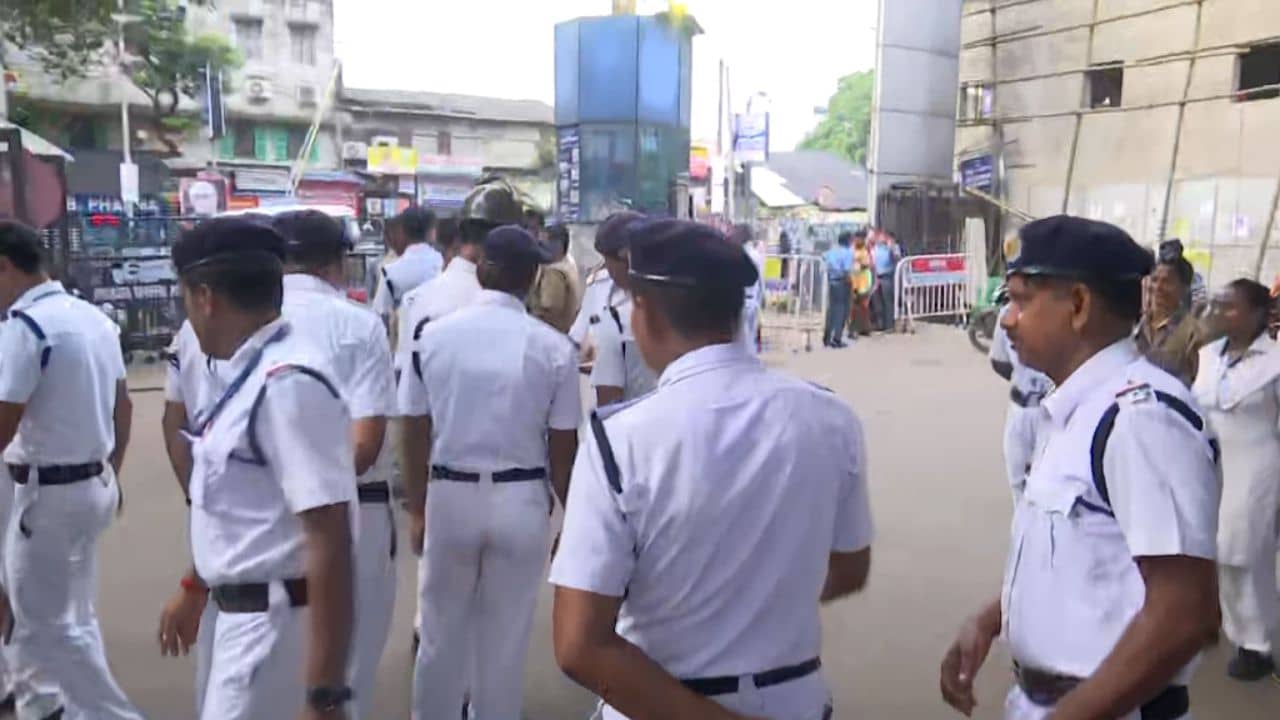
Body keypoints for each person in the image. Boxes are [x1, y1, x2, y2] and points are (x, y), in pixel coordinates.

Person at [550, 218, 872, 720]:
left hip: (657, 701)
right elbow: (850, 568)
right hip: (795, 701)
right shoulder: (831, 417)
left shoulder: (620, 440)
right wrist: (759, 602)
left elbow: (578, 645)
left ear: (645, 313)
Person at [940, 215, 1220, 720]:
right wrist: (989, 620)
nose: (1006, 320)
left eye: (1021, 300)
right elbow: (1082, 559)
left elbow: (1184, 614)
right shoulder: (1076, 408)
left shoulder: (1140, 418)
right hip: (1047, 700)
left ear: (1078, 305)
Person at [171, 217, 357, 720]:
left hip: (274, 627)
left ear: (206, 297)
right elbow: (248, 513)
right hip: (249, 617)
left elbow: (329, 534)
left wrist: (324, 693)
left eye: (185, 299)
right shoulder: (252, 371)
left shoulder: (287, 383)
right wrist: (196, 584)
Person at [399, 224, 580, 719]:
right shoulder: (554, 348)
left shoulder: (431, 338)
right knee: (503, 643)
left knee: (439, 634)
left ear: (481, 270)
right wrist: (573, 519)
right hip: (522, 499)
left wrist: (417, 508)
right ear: (533, 277)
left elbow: (412, 427)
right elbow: (563, 449)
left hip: (450, 494)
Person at [0, 220, 140, 720]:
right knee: (73, 616)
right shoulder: (91, 317)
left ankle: (110, 716)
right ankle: (51, 708)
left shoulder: (26, 327)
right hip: (91, 484)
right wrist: (111, 473)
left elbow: (3, 421)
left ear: (5, 267)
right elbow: (124, 406)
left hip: (48, 496)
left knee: (42, 622)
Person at [271, 210, 398, 718]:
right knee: (348, 669)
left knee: (265, 665)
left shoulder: (236, 320)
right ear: (337, 263)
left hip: (258, 515)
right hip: (352, 510)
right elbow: (366, 444)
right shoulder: (359, 325)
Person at [1192, 278, 1280, 682]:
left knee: (1248, 555)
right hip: (1213, 465)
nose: (1219, 312)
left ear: (1258, 314)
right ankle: (1237, 632)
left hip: (1258, 466)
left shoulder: (1274, 362)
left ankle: (1259, 644)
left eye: (1230, 306)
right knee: (1219, 553)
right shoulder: (1207, 355)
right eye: (1218, 304)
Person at [156, 318, 224, 717]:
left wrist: (195, 499)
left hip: (215, 512)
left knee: (218, 659)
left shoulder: (191, 330)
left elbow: (174, 422)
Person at [988, 288, 1055, 499]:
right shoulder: (1007, 314)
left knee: (1051, 482)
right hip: (1020, 408)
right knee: (1017, 481)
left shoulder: (1057, 312)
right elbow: (999, 361)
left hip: (1053, 410)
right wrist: (1023, 379)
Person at [590, 211, 659, 406]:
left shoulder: (615, 320)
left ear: (625, 258)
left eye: (607, 260)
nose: (606, 268)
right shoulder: (672, 303)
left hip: (632, 419)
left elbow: (608, 398)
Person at [1136, 249, 1202, 386]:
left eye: (1167, 282)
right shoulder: (1135, 325)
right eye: (1154, 280)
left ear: (1184, 288)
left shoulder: (1193, 333)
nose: (1157, 287)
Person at [372, 207, 443, 331]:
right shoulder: (444, 264)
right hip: (440, 334)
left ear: (403, 232)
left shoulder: (389, 271)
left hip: (405, 337)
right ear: (432, 232)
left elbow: (380, 314)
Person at [528, 223, 582, 333]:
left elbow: (549, 309)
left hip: (549, 333)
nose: (539, 247)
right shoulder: (568, 262)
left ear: (558, 245)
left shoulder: (554, 272)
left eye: (542, 243)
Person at [732, 224, 766, 354]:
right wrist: (762, 296)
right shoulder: (755, 255)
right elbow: (760, 278)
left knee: (739, 336)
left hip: (739, 298)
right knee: (750, 334)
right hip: (752, 299)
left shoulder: (735, 253)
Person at [822, 232, 854, 348]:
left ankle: (827, 336)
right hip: (842, 282)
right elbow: (846, 271)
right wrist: (851, 284)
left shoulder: (831, 251)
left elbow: (823, 257)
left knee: (831, 310)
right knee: (841, 310)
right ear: (848, 241)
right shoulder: (848, 253)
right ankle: (837, 338)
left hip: (832, 281)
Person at [871, 230, 901, 332]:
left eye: (883, 236)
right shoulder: (874, 248)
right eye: (879, 236)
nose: (880, 238)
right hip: (875, 276)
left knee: (887, 301)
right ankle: (880, 324)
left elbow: (897, 258)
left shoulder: (892, 248)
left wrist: (891, 247)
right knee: (877, 302)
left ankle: (889, 325)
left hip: (887, 276)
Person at [848, 231, 874, 339]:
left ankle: (865, 328)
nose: (858, 241)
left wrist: (860, 264)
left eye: (861, 239)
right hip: (853, 280)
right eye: (857, 238)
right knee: (853, 307)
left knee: (864, 306)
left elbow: (868, 264)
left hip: (864, 282)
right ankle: (853, 329)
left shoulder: (866, 250)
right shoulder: (851, 250)